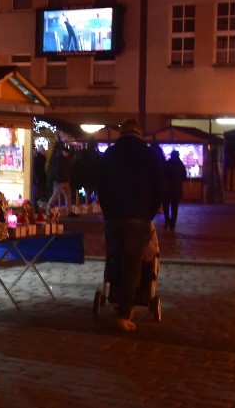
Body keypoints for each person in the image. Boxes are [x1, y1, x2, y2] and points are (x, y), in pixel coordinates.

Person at [97, 119, 164, 331]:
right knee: (133, 262)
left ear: (121, 132)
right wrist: (149, 212)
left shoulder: (109, 154)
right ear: (139, 133)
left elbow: (100, 186)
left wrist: (108, 211)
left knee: (116, 258)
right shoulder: (149, 154)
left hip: (113, 218)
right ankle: (124, 313)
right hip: (138, 217)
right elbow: (159, 187)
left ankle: (114, 294)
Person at [47, 143, 75, 217]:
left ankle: (69, 212)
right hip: (60, 181)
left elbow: (66, 170)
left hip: (65, 180)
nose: (67, 154)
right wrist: (59, 179)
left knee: (68, 196)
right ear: (63, 152)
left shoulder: (65, 159)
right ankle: (48, 210)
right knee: (55, 195)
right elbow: (57, 171)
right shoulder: (59, 160)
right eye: (66, 153)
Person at [164, 150, 187, 230]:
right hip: (177, 189)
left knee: (166, 206)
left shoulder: (167, 164)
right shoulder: (181, 165)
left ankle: (167, 220)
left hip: (167, 189)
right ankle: (172, 224)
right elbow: (184, 177)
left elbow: (163, 175)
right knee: (175, 207)